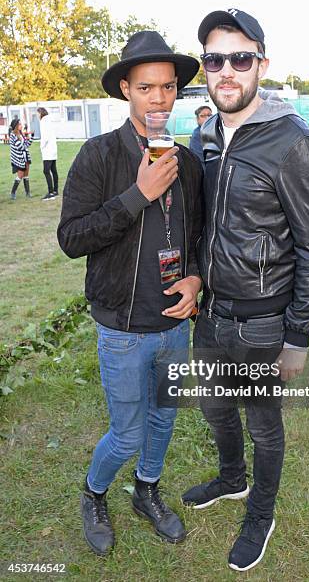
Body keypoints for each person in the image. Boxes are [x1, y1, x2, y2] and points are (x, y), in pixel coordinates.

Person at [181, 9, 309, 571]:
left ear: (261, 66)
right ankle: (231, 479)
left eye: (240, 58)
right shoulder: (205, 135)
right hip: (212, 314)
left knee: (263, 426)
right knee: (214, 408)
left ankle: (260, 514)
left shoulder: (293, 142)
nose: (226, 70)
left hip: (265, 322)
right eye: (214, 59)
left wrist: (297, 336)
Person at [57, 31, 202, 556]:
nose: (159, 99)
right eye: (146, 88)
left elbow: (198, 237)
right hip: (121, 327)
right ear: (126, 89)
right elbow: (71, 238)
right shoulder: (98, 156)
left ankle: (146, 491)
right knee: (128, 431)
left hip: (174, 324)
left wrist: (197, 278)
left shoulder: (187, 162)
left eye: (168, 88)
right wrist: (137, 195)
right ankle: (94, 493)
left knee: (164, 419)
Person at [37, 107, 59, 200]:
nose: (37, 115)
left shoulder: (43, 122)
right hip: (53, 149)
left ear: (41, 113)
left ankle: (50, 192)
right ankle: (55, 190)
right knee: (53, 170)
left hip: (48, 150)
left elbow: (45, 137)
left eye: (37, 113)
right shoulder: (50, 120)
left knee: (46, 171)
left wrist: (41, 146)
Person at [9, 118, 33, 199]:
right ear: (16, 126)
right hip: (18, 158)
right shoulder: (13, 135)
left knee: (26, 175)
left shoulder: (21, 134)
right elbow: (20, 147)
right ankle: (13, 192)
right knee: (20, 175)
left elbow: (27, 144)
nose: (21, 125)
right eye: (19, 124)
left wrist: (31, 137)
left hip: (25, 157)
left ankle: (28, 193)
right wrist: (26, 144)